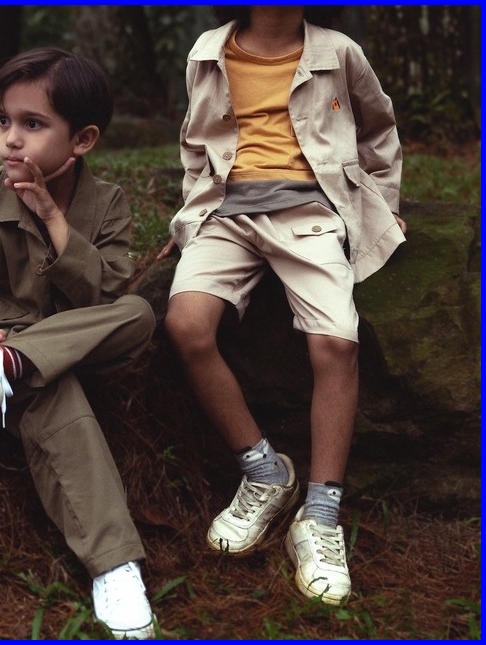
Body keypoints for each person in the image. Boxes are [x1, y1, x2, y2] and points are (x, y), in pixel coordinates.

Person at [158, 6, 407, 605]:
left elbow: (378, 130)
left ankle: (320, 512)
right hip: (225, 214)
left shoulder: (338, 51)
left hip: (310, 214)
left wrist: (386, 202)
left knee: (336, 342)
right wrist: (190, 217)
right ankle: (265, 472)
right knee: (186, 326)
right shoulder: (207, 51)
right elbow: (196, 145)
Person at [0, 47, 157, 639]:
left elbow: (106, 298)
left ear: (83, 140)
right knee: (52, 387)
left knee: (139, 312)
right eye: (4, 120)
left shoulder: (108, 205)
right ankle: (115, 565)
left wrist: (53, 219)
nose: (12, 139)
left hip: (76, 345)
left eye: (33, 123)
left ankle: (11, 364)